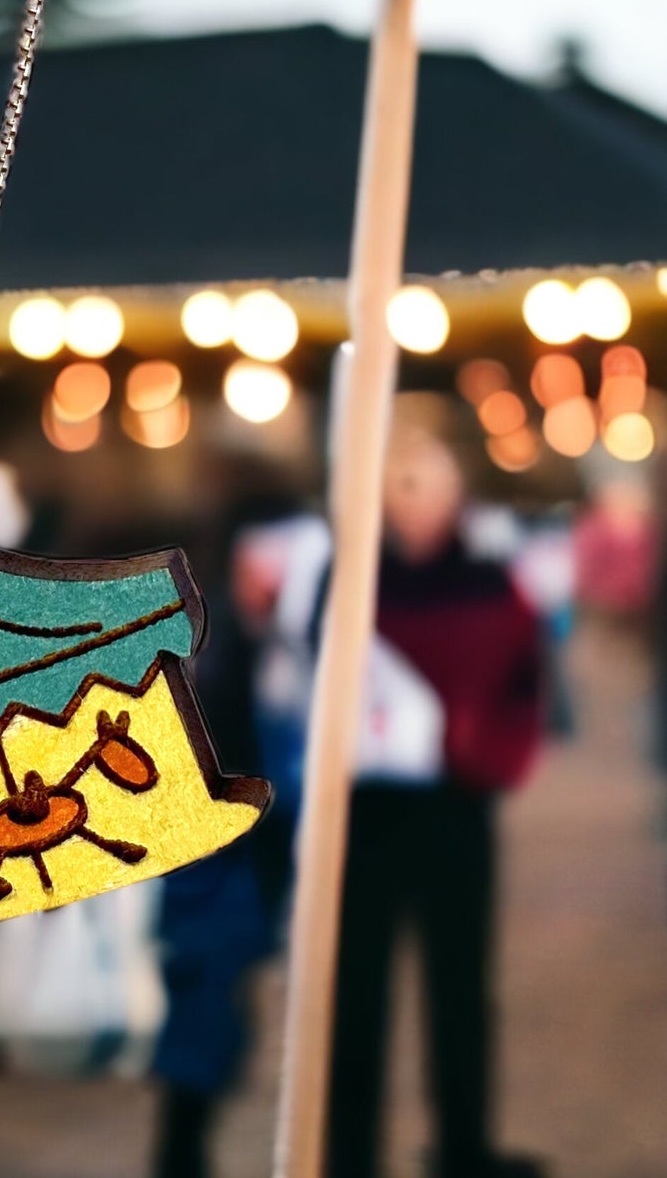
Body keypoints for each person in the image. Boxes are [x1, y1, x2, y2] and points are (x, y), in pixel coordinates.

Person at [325, 420, 547, 1178]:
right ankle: (346, 1152)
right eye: (401, 484)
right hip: (365, 810)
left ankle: (463, 1145)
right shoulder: (346, 580)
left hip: (456, 805)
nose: (415, 502)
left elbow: (523, 682)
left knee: (460, 987)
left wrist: (487, 755)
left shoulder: (490, 581)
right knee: (354, 993)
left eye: (429, 484)